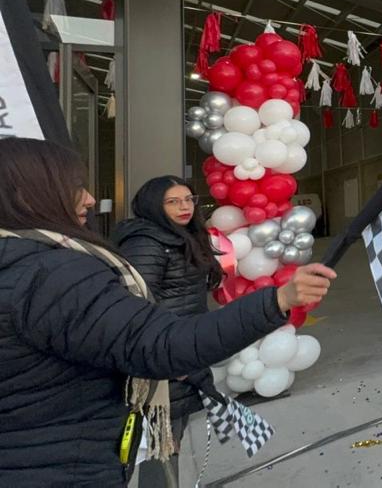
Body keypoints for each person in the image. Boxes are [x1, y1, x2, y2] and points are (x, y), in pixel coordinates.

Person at [0, 138, 336, 485]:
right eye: (74, 187)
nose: (89, 199)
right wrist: (277, 300)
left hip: (52, 447)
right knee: (163, 455)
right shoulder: (57, 274)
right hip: (70, 456)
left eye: (188, 199)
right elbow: (148, 333)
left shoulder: (187, 238)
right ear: (29, 195)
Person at [112, 176, 222, 487]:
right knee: (159, 447)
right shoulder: (146, 242)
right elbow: (137, 306)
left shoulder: (182, 237)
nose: (184, 207)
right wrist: (171, 359)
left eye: (188, 199)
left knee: (168, 444)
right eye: (172, 202)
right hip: (163, 363)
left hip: (182, 352)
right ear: (153, 206)